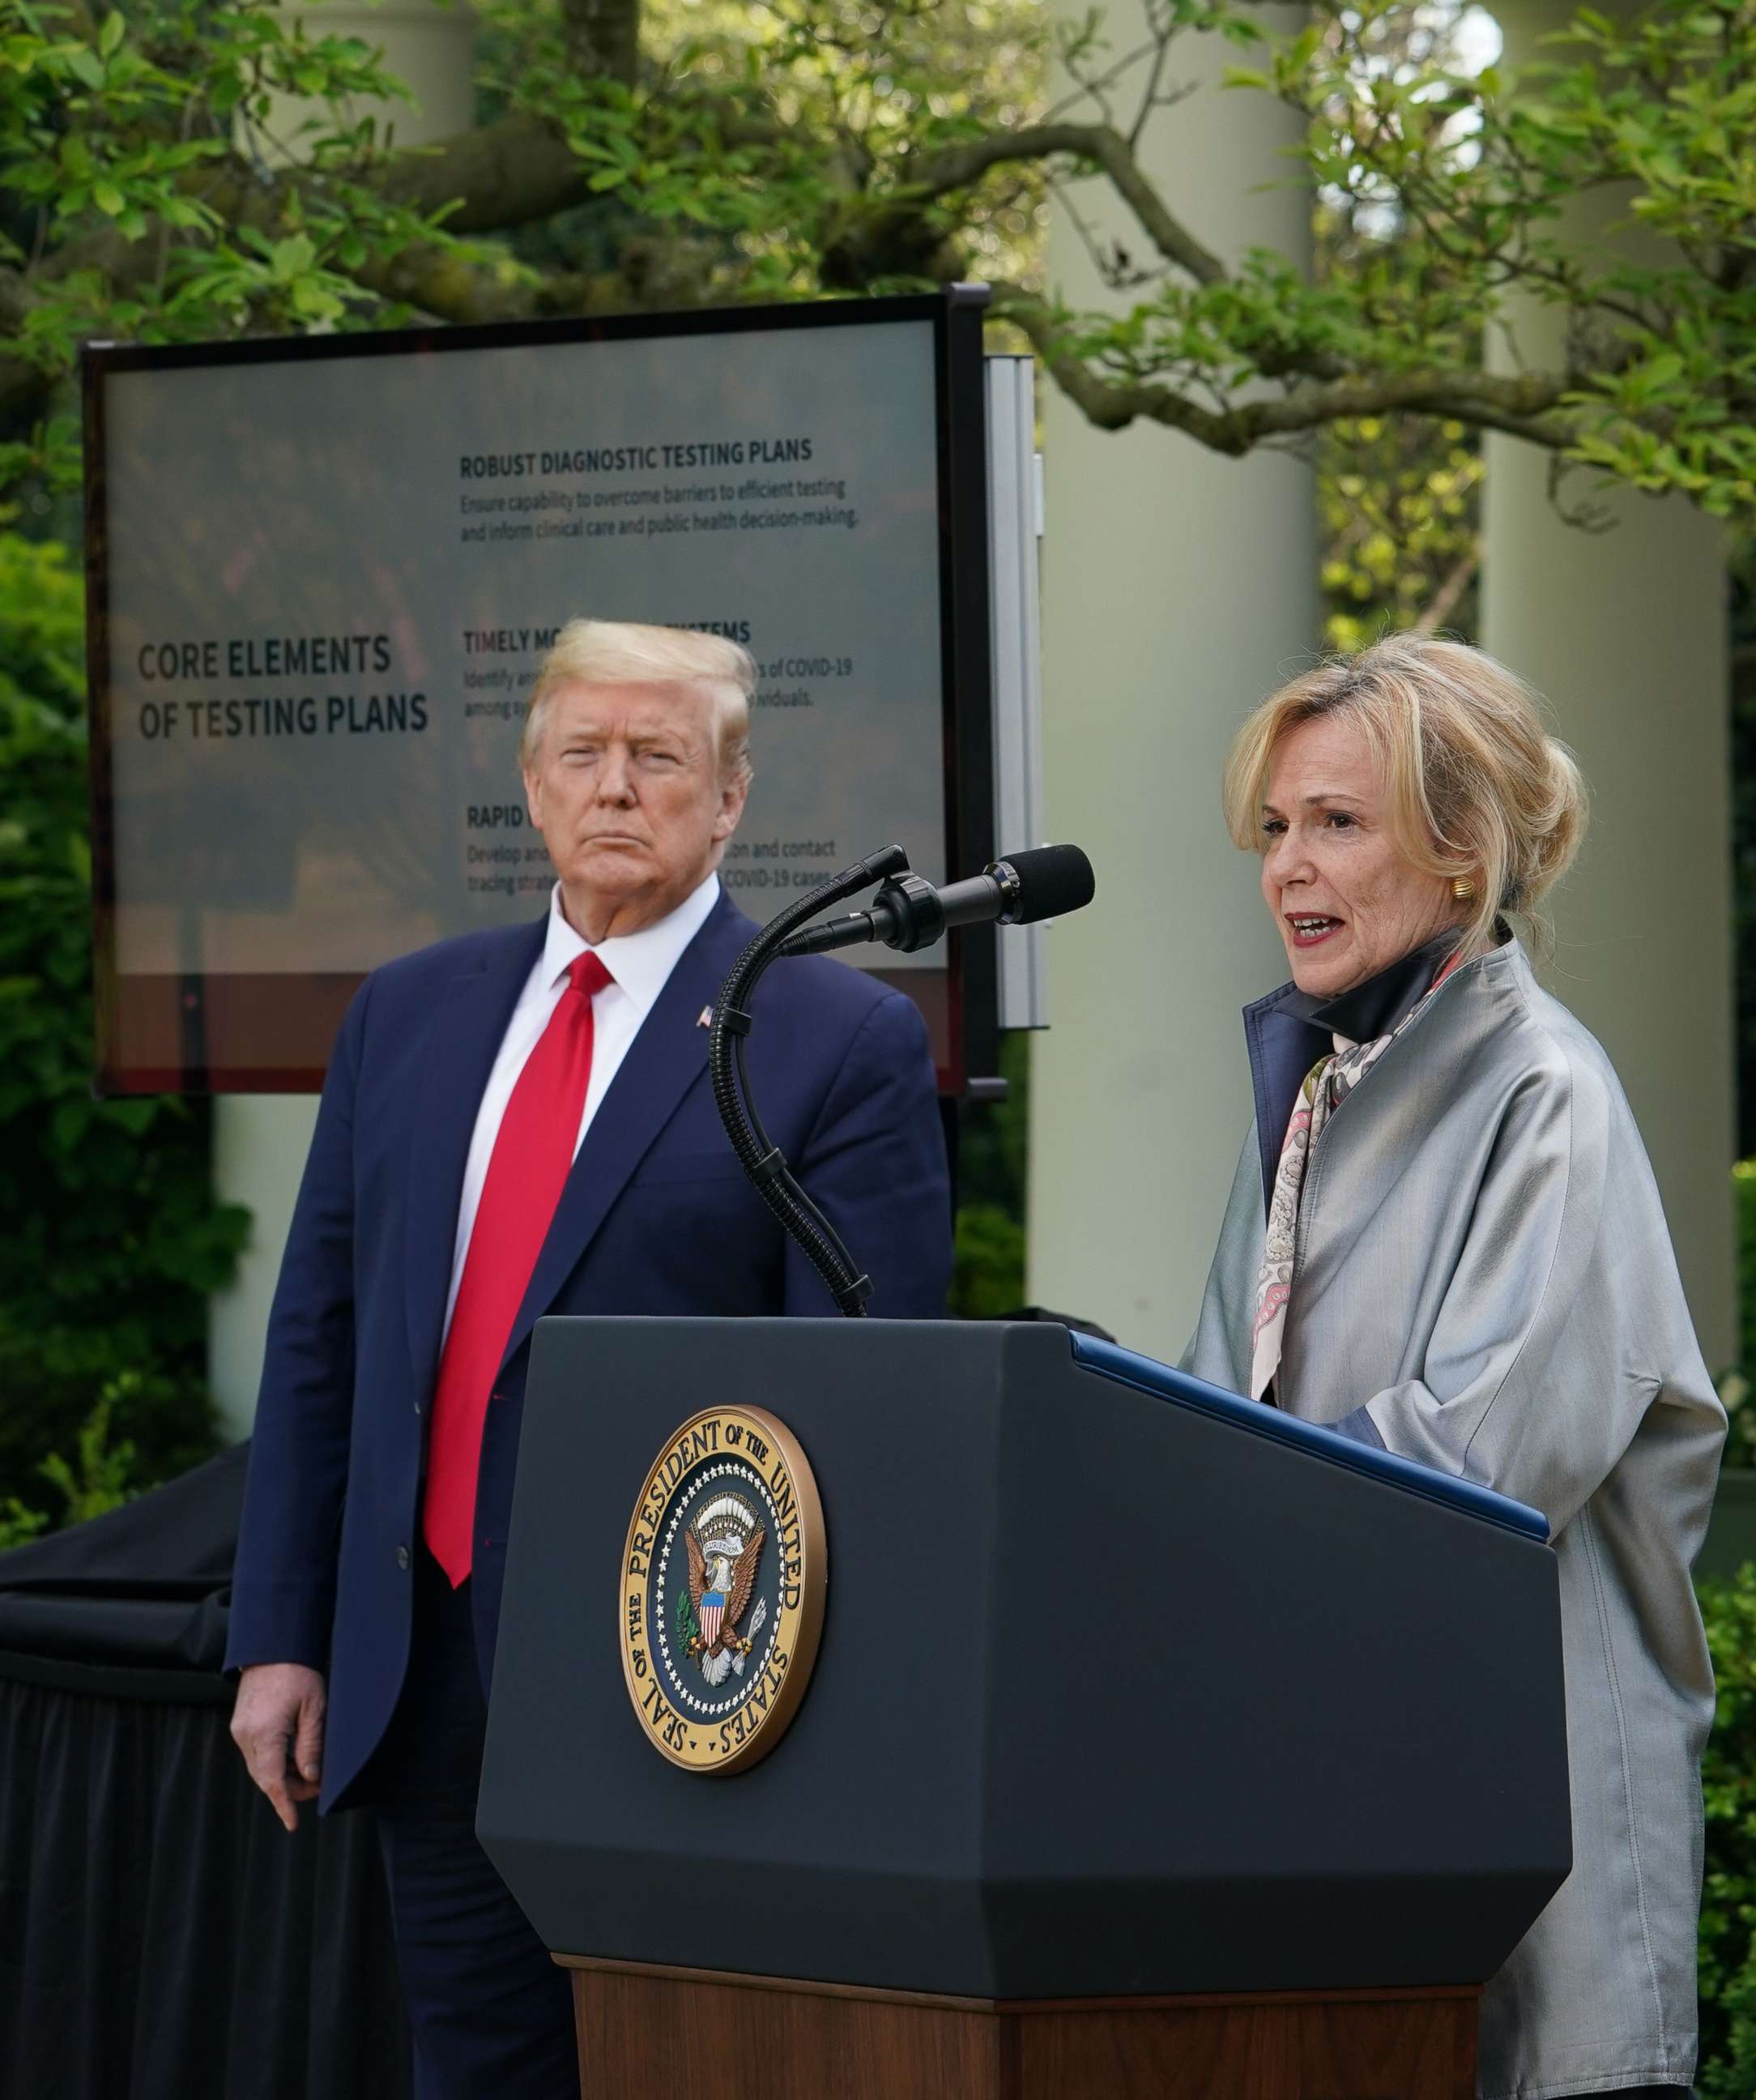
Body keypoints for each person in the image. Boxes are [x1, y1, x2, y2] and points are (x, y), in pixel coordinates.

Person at [225, 619, 952, 2098]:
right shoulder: (409, 1012)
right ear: (534, 785)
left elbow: (863, 1398)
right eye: (585, 753)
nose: (617, 786)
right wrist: (281, 1632)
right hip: (426, 1667)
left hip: (686, 1691)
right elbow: (323, 1340)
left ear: (732, 797)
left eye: (660, 757)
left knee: (685, 2068)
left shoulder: (833, 1036)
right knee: (476, 2068)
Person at [1182, 633, 1724, 2100]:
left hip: (1533, 1841)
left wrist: (1201, 1520)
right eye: (1279, 829)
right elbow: (1210, 1414)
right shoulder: (1305, 1099)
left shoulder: (1549, 1093)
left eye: (1339, 824)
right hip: (1352, 1818)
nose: (1291, 865)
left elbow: (1472, 1474)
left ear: (1466, 851)